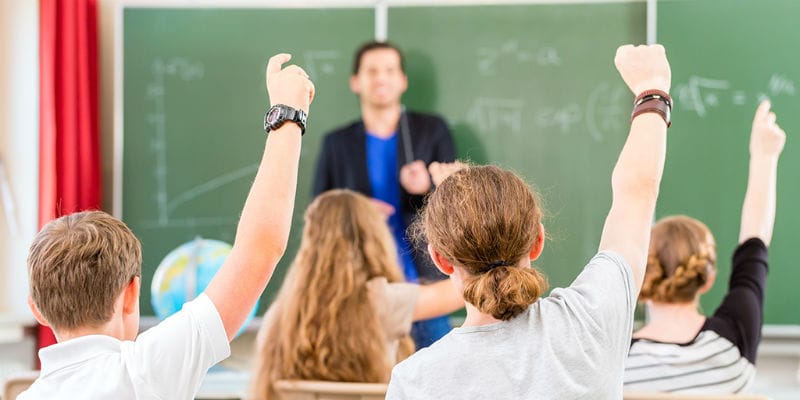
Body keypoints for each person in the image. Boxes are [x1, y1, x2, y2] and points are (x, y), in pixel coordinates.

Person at [19, 53, 315, 400]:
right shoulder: (146, 370)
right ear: (131, 293)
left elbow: (261, 248)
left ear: (36, 308)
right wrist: (287, 116)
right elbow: (260, 248)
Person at [385, 44, 672, 399]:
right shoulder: (589, 323)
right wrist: (653, 91)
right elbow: (636, 193)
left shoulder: (416, 380)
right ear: (538, 239)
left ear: (441, 258)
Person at [623, 100, 785, 394]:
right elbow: (755, 242)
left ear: (642, 274)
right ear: (707, 278)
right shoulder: (732, 346)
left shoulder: (615, 363)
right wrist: (764, 157)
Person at [248, 189, 464, 400]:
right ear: (373, 239)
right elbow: (467, 286)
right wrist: (457, 203)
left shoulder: (282, 311)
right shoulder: (384, 300)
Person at [313, 41, 456, 347]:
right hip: (358, 279)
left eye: (390, 70)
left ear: (403, 80)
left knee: (437, 363)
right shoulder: (336, 143)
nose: (381, 78)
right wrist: (356, 210)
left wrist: (426, 189)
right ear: (356, 81)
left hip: (423, 279)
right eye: (372, 71)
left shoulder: (433, 130)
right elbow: (318, 212)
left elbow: (458, 203)